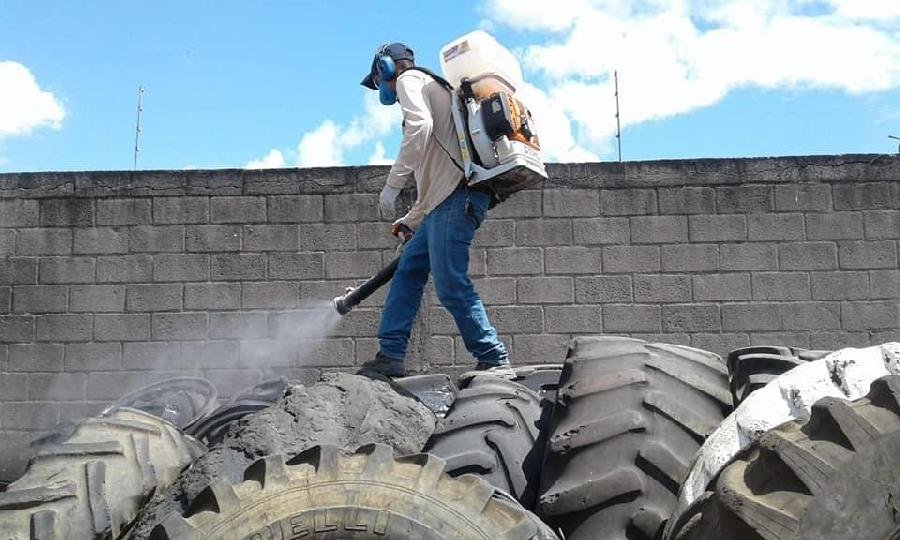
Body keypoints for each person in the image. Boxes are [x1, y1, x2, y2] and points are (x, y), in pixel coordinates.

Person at [357, 42, 510, 378]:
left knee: (450, 282)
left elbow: (420, 128)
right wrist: (411, 218)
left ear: (385, 68)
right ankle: (390, 354)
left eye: (378, 80)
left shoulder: (411, 80)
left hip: (457, 199)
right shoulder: (436, 88)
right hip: (444, 201)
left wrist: (393, 184)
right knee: (407, 273)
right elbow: (434, 174)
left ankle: (494, 358)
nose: (382, 90)